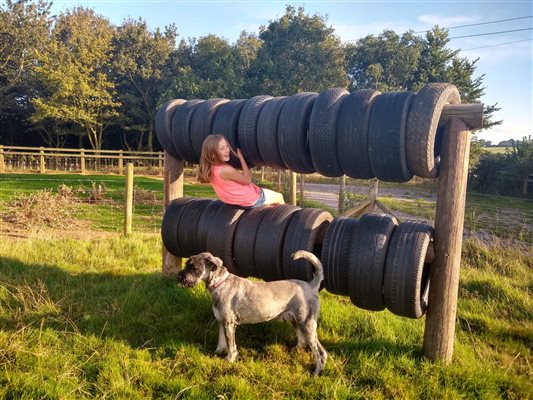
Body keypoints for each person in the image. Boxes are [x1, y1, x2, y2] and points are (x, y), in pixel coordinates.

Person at [198, 134, 285, 208]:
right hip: (249, 199)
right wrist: (241, 158)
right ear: (213, 154)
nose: (227, 150)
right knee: (279, 197)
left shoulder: (211, 168)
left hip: (232, 201)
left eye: (227, 146)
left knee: (268, 204)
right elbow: (247, 181)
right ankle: (283, 223)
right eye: (222, 149)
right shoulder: (225, 170)